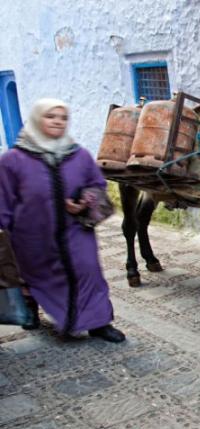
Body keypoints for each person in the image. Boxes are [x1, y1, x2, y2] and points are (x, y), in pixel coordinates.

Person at [0, 98, 125, 342]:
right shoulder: (12, 160)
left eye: (63, 117)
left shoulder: (79, 155)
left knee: (89, 271)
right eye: (51, 116)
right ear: (37, 119)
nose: (58, 121)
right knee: (35, 276)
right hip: (31, 236)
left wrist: (84, 203)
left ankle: (99, 323)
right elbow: (3, 198)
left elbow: (97, 184)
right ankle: (30, 310)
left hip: (75, 230)